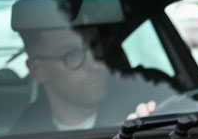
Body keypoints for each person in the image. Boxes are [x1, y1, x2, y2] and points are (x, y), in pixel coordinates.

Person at [12, 25, 166, 133]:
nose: (96, 64)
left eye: (95, 47)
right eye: (72, 54)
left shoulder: (151, 100)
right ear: (38, 70)